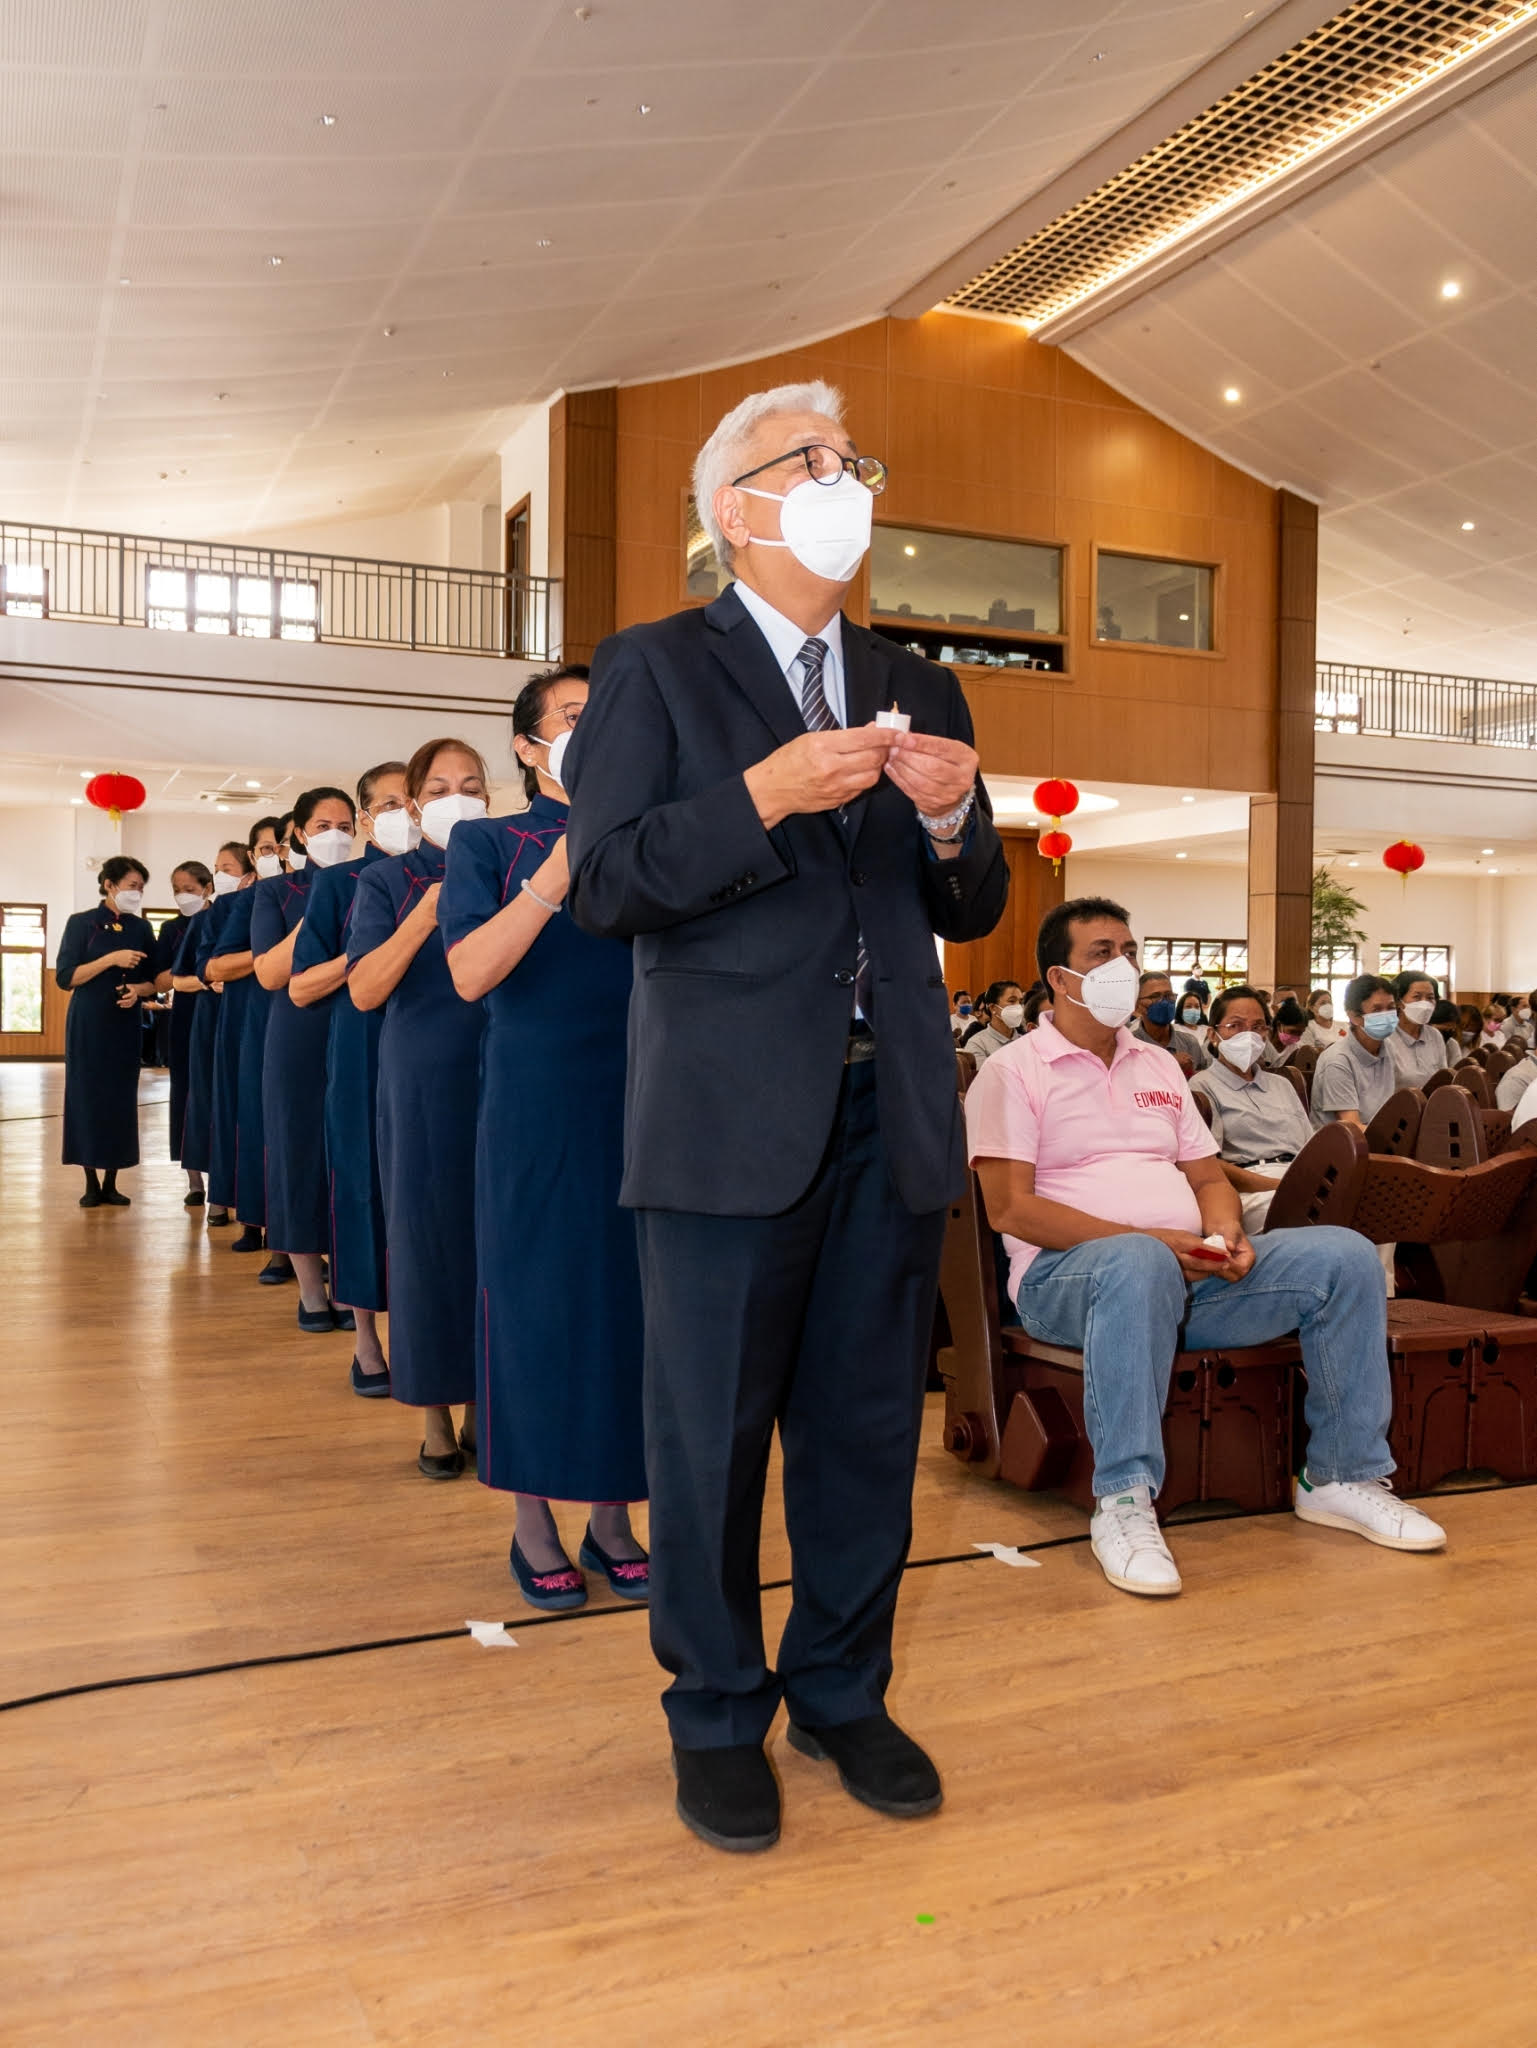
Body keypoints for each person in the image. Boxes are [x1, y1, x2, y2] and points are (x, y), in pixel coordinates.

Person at [564, 378, 1008, 1854]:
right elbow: (613, 881)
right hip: (721, 1119)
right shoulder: (655, 671)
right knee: (708, 1438)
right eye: (805, 460)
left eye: (850, 457)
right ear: (732, 511)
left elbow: (971, 900)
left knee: (866, 1429)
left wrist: (951, 820)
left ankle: (841, 1690)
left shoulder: (917, 680)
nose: (841, 478)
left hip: (893, 1109)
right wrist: (757, 794)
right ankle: (713, 1712)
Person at [965, 895, 1445, 1600]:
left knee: (1341, 1254)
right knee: (1136, 1261)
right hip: (1066, 1284)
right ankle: (1124, 1501)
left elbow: (1205, 1175)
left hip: (1189, 1272)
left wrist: (1225, 1232)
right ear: (1058, 977)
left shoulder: (1158, 1067)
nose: (1122, 966)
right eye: (1101, 953)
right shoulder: (1013, 1070)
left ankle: (1340, 1475)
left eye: (1128, 951)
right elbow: (1009, 1207)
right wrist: (1150, 1241)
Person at [442, 666, 649, 1610]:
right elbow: (471, 973)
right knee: (533, 1304)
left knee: (631, 1313)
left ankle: (614, 1518)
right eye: (570, 718)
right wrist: (557, 873)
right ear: (528, 748)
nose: (590, 729)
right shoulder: (489, 843)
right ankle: (532, 1521)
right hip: (535, 1104)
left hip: (646, 1098)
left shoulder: (648, 835)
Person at [348, 738, 487, 1477]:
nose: (455, 799)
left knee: (494, 1240)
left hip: (505, 1070)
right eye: (437, 789)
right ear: (411, 805)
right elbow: (365, 989)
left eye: (471, 785)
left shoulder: (505, 857)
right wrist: (427, 914)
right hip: (424, 1076)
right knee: (428, 1239)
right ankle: (433, 1408)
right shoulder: (386, 881)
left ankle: (484, 1405)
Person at [289, 761, 407, 1396]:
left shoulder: (466, 866)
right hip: (363, 1048)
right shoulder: (339, 885)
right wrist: (367, 959)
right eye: (389, 804)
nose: (406, 813)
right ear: (367, 818)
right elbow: (303, 985)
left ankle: (431, 1340)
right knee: (362, 1191)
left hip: (442, 1052)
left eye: (412, 800)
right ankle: (366, 1339)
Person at [253, 787, 359, 1334]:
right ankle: (311, 1291)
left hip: (360, 1027)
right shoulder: (276, 893)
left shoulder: (373, 878)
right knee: (298, 1155)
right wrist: (318, 912)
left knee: (350, 1160)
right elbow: (270, 972)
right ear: (298, 833)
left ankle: (350, 1286)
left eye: (344, 824)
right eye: (322, 826)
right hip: (296, 1035)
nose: (335, 835)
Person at [207, 813, 291, 1273]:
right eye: (264, 848)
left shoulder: (332, 887)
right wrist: (270, 956)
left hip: (312, 1019)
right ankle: (262, 1228)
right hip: (256, 1020)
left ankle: (300, 1241)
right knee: (259, 1127)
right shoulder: (249, 901)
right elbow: (214, 967)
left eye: (279, 845)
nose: (276, 854)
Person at [55, 856, 158, 1208]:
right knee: (85, 1097)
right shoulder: (82, 923)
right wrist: (110, 960)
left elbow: (154, 979)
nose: (137, 893)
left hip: (124, 1024)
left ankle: (112, 1179)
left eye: (141, 888)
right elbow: (66, 977)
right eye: (132, 886)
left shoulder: (141, 928)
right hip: (87, 1022)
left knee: (120, 1098)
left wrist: (139, 992)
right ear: (109, 885)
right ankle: (89, 1180)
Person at [173, 842, 251, 1224]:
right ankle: (214, 1194)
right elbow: (187, 973)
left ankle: (243, 1195)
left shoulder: (264, 905)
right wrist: (209, 982)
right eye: (217, 866)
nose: (221, 873)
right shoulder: (207, 917)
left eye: (229, 866)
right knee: (208, 1100)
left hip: (248, 1015)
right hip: (210, 1018)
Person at [1191, 987, 1314, 1230]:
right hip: (1251, 1187)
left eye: (1258, 1027)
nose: (1248, 1035)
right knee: (1303, 1214)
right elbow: (1210, 1164)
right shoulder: (1202, 1086)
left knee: (1370, 1208)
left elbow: (1310, 1147)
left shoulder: (1282, 1084)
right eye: (1235, 1026)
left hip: (1300, 1176)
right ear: (1213, 1035)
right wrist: (1276, 1185)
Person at [154, 860, 214, 1206]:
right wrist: (191, 978)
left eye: (188, 889)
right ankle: (194, 1179)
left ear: (207, 887)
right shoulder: (170, 928)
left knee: (216, 1093)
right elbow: (162, 980)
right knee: (185, 1093)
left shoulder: (223, 918)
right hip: (185, 1015)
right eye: (176, 889)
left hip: (216, 1015)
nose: (181, 895)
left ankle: (222, 1176)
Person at [1310, 974, 1400, 1131]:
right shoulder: (1337, 1061)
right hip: (1341, 1149)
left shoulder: (1388, 1048)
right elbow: (1353, 1128)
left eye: (1391, 1008)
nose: (1387, 1016)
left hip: (1380, 1139)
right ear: (1354, 1017)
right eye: (1377, 1009)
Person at [1132, 970, 1210, 1075]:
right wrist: (1170, 1064)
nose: (1164, 1002)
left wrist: (1190, 1073)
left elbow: (1203, 1082)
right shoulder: (1130, 1045)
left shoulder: (1189, 1043)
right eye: (1155, 997)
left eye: (1169, 995)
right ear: (1137, 1006)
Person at [1387, 970, 1449, 1088]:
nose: (1424, 1004)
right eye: (1417, 997)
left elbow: (1442, 1078)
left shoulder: (1434, 1035)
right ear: (1399, 1002)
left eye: (1430, 997)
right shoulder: (1386, 1037)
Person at [962, 980, 1023, 1066]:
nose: (1018, 1007)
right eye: (1012, 1001)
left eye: (1020, 1002)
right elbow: (985, 1077)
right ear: (993, 1008)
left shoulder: (1026, 1041)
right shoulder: (977, 1044)